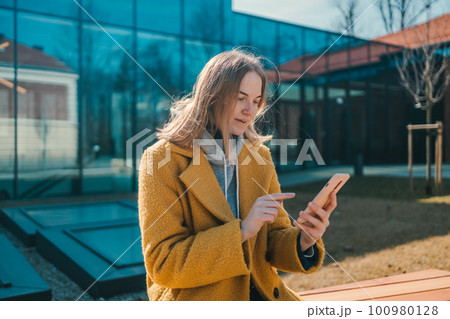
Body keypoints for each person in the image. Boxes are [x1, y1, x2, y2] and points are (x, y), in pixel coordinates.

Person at [138, 48, 337, 301]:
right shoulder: (161, 161)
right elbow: (163, 263)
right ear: (212, 96)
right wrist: (242, 230)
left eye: (256, 101)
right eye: (240, 98)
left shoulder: (259, 157)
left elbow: (272, 242)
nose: (250, 110)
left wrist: (305, 240)